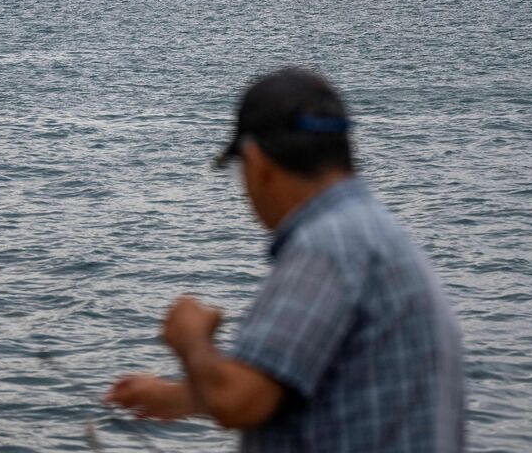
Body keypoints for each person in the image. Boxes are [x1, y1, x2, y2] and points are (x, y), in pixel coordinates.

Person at [105, 67, 464, 452]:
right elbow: (320, 390)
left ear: (257, 162)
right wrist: (177, 399)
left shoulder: (327, 246)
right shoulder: (376, 233)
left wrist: (192, 341)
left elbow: (240, 402)